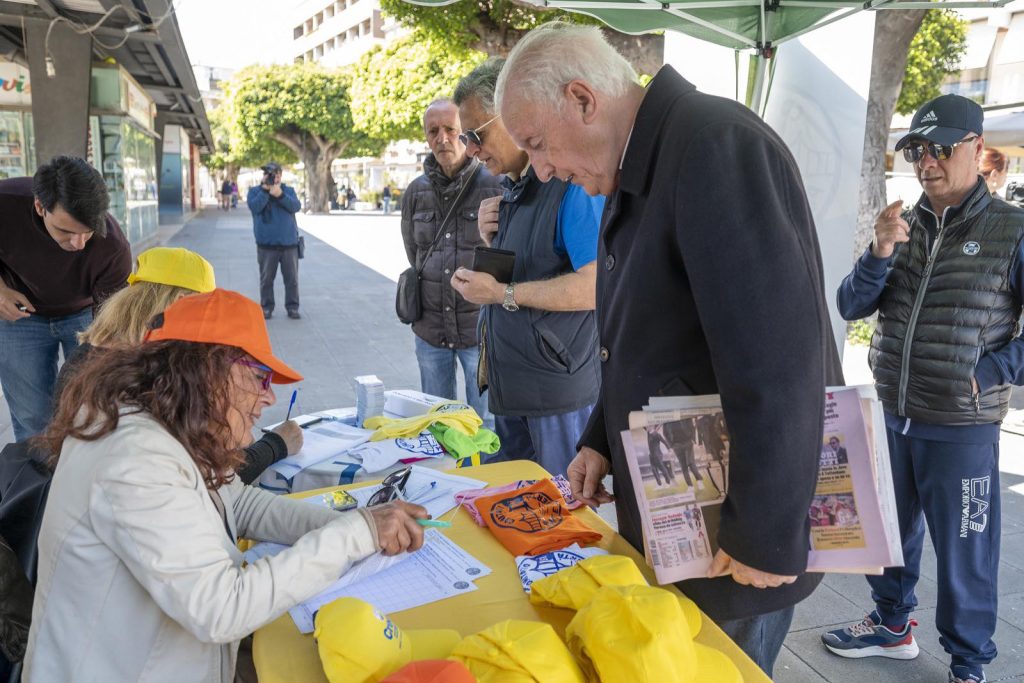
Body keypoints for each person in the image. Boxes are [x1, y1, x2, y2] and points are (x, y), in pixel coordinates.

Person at [494, 23, 843, 676]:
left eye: (538, 144)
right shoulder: (637, 164)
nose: (541, 170)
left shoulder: (714, 144)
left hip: (735, 541)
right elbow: (636, 331)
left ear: (582, 99)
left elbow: (778, 357)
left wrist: (765, 533)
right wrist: (600, 438)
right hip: (682, 516)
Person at [23, 288, 429, 681]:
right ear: (206, 370)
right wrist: (355, 534)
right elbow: (219, 609)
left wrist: (357, 525)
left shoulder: (165, 423)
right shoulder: (135, 458)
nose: (269, 398)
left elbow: (243, 503)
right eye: (260, 377)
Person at [827, 94, 1024, 683]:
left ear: (976, 149)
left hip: (962, 424)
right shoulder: (902, 225)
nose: (926, 162)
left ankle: (969, 662)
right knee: (887, 530)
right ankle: (892, 626)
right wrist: (879, 251)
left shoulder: (1012, 230)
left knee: (965, 551)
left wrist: (989, 372)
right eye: (916, 150)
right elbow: (850, 305)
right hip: (893, 410)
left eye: (940, 148)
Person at [450, 58, 605, 478]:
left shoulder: (570, 185)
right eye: (465, 138)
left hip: (555, 395)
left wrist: (501, 294)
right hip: (514, 388)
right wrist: (492, 243)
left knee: (560, 508)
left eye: (475, 135)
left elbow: (595, 286)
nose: (471, 149)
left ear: (512, 114)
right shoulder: (514, 188)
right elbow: (533, 267)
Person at [57, 246, 303, 483]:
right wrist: (276, 445)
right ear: (180, 303)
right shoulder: (143, 377)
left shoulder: (90, 356)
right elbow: (207, 475)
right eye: (204, 309)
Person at [0, 155, 132, 442]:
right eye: (66, 231)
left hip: (86, 314)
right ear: (40, 206)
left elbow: (110, 324)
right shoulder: (5, 202)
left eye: (86, 232)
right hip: (20, 316)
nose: (78, 243)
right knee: (32, 417)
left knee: (92, 409)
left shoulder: (113, 247)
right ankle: (38, 473)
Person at [401, 99, 503, 424]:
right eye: (433, 131)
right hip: (431, 330)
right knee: (437, 422)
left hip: (479, 332)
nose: (442, 138)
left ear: (466, 132)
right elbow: (414, 253)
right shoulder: (415, 192)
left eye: (450, 129)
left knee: (485, 424)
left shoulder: (494, 184)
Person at [247, 162, 302, 320]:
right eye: (269, 174)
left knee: (292, 280)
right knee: (266, 280)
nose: (273, 178)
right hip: (266, 245)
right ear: (264, 176)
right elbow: (255, 207)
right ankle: (266, 307)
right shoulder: (255, 192)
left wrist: (280, 195)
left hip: (289, 244)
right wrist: (265, 191)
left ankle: (292, 307)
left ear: (280, 176)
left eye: (276, 175)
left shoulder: (288, 190)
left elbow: (295, 206)